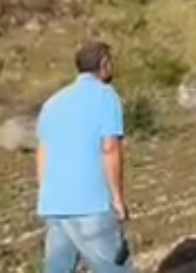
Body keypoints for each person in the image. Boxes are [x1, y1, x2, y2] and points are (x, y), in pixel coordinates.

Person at [37, 41, 132, 273]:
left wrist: (46, 194)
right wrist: (118, 199)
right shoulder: (106, 96)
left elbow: (42, 154)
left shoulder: (53, 102)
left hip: (55, 205)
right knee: (115, 268)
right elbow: (110, 149)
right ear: (104, 64)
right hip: (92, 204)